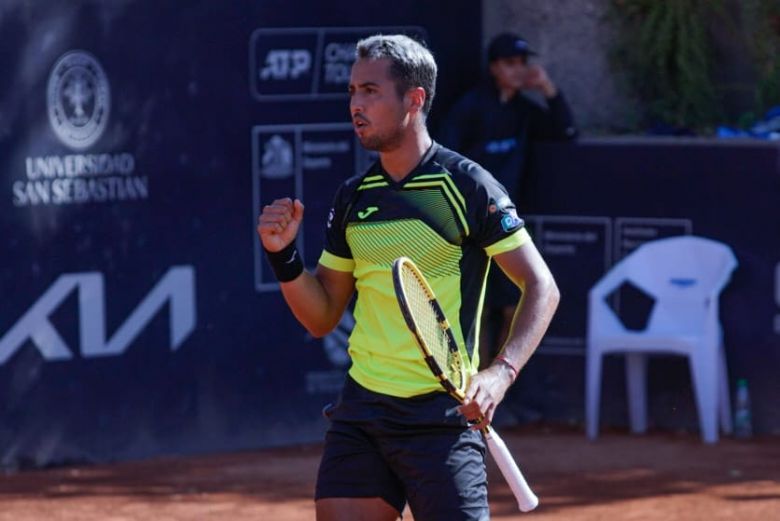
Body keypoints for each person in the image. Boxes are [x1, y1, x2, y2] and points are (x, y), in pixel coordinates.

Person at [257, 34, 560, 521]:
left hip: (442, 417)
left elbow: (542, 287)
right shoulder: (354, 197)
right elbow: (321, 317)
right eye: (352, 91)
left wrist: (501, 373)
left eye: (370, 91)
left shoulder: (468, 187)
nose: (355, 105)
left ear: (414, 99)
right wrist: (283, 256)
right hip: (363, 413)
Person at [439, 32, 576, 369]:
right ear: (494, 67)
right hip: (469, 226)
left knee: (514, 307)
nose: (519, 69)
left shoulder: (524, 111)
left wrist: (547, 89)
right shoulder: (470, 108)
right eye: (510, 63)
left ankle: (496, 386)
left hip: (506, 227)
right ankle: (471, 387)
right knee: (478, 310)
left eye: (523, 63)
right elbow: (443, 160)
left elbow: (566, 132)